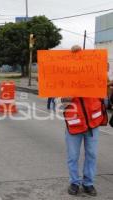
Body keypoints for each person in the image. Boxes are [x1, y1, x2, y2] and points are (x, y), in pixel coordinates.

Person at [62, 45, 108, 196]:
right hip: (74, 124)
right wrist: (63, 99)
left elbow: (104, 70)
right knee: (73, 156)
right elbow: (58, 100)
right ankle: (74, 182)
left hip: (93, 124)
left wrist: (81, 52)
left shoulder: (95, 74)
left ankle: (88, 183)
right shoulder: (65, 77)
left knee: (92, 154)